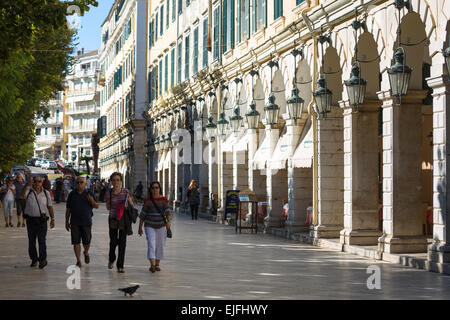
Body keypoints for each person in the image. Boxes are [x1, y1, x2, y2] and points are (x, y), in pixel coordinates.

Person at [138, 181, 172, 273]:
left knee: (160, 245)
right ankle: (152, 265)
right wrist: (140, 227)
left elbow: (168, 212)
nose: (155, 190)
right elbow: (142, 215)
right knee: (151, 244)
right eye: (153, 188)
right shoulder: (148, 201)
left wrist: (168, 222)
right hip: (149, 225)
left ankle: (157, 264)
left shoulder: (164, 200)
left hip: (161, 226)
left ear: (159, 189)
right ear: (151, 190)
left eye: (157, 187)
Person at [65, 176, 99, 268]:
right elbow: (68, 209)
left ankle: (86, 252)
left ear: (85, 184)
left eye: (81, 182)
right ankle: (78, 260)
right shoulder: (72, 194)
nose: (79, 184)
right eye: (77, 183)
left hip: (86, 222)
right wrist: (66, 221)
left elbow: (97, 206)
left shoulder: (89, 193)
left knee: (87, 241)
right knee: (76, 242)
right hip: (74, 222)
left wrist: (91, 200)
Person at [23, 175, 55, 269]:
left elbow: (50, 206)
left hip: (42, 221)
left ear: (42, 183)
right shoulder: (28, 191)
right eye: (35, 181)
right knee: (31, 242)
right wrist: (26, 185)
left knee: (41, 241)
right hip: (30, 221)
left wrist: (52, 219)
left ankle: (42, 260)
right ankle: (34, 259)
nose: (37, 183)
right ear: (32, 182)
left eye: (39, 181)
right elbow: (21, 195)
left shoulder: (46, 193)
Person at [105, 172, 133, 273]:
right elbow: (108, 207)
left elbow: (131, 203)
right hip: (113, 219)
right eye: (114, 180)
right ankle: (111, 259)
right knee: (113, 242)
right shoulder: (108, 193)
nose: (116, 182)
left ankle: (120, 265)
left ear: (121, 181)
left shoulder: (125, 192)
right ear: (111, 181)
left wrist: (126, 206)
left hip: (123, 220)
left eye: (118, 180)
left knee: (122, 242)